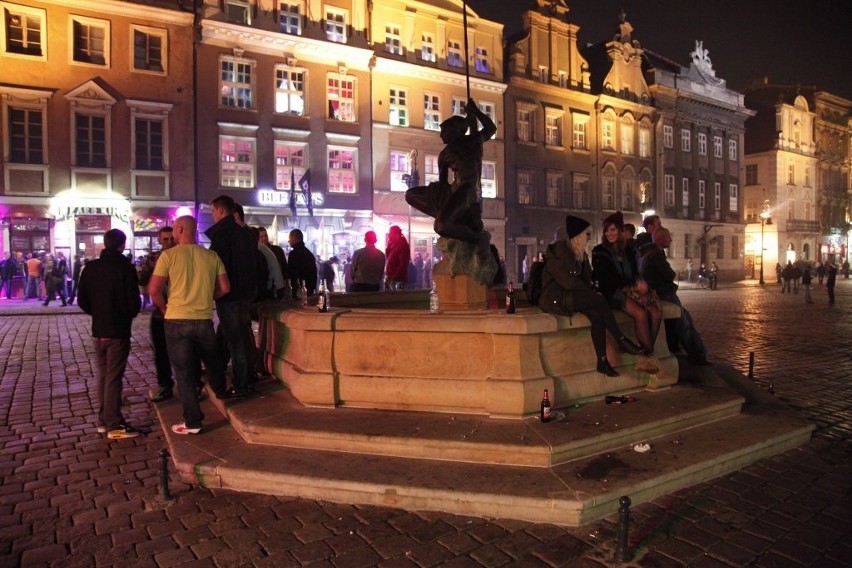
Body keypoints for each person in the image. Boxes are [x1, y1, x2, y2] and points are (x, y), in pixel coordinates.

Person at [149, 216, 231, 435]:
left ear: (181, 229)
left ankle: (193, 421)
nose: (173, 234)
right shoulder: (211, 256)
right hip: (203, 318)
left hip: (176, 319)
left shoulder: (168, 256)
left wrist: (164, 307)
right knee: (212, 361)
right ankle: (221, 390)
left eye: (175, 229)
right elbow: (225, 287)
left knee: (184, 373)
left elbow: (154, 290)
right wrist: (207, 297)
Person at [539, 215, 644, 377]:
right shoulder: (559, 252)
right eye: (587, 234)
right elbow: (569, 283)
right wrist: (591, 293)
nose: (589, 237)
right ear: (578, 235)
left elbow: (587, 280)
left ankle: (602, 361)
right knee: (599, 300)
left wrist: (591, 281)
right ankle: (621, 339)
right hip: (557, 298)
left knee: (597, 316)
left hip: (575, 296)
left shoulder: (580, 253)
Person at [77, 229, 142, 439]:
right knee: (113, 377)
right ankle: (114, 424)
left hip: (99, 330)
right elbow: (134, 303)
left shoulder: (90, 268)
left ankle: (103, 420)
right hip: (118, 330)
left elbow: (82, 301)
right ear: (122, 245)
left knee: (104, 376)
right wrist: (126, 314)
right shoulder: (126, 268)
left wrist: (98, 312)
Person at [405, 98, 496, 244]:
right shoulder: (444, 155)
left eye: (444, 131)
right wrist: (437, 195)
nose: (441, 135)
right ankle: (447, 217)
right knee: (410, 195)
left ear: (455, 130)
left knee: (441, 226)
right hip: (452, 191)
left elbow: (491, 128)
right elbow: (442, 184)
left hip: (467, 191)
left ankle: (476, 238)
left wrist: (475, 111)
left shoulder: (472, 141)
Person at [592, 211, 662, 374]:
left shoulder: (629, 250)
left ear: (621, 231)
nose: (609, 234)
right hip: (613, 293)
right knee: (640, 314)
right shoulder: (599, 251)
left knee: (656, 313)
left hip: (632, 290)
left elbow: (636, 271)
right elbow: (606, 280)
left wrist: (639, 281)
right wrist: (632, 284)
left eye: (613, 230)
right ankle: (648, 355)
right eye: (607, 230)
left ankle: (646, 352)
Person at [206, 195, 257, 398]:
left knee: (236, 341)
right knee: (243, 338)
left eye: (212, 212)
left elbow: (217, 267)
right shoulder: (246, 233)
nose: (212, 216)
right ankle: (247, 378)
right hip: (246, 293)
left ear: (220, 211)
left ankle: (241, 383)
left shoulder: (221, 235)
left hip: (229, 294)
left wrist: (215, 289)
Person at [639, 227, 711, 366]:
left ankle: (695, 352)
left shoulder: (648, 252)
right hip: (663, 294)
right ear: (660, 238)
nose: (671, 240)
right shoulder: (656, 254)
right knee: (684, 324)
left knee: (685, 318)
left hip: (659, 293)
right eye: (668, 237)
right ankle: (697, 355)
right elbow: (670, 274)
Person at [138, 226, 176, 402]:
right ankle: (165, 385)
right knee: (161, 351)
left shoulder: (181, 255)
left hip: (180, 310)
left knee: (188, 351)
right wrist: (152, 267)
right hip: (160, 311)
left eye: (171, 238)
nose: (169, 242)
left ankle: (194, 384)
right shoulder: (153, 257)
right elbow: (142, 279)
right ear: (159, 240)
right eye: (165, 239)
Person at [258, 227, 289, 298]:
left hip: (277, 284)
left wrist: (284, 280)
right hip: (266, 287)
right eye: (261, 237)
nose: (264, 238)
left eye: (265, 236)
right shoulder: (257, 253)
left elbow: (284, 266)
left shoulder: (277, 250)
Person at [286, 229, 317, 298]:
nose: (289, 241)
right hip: (309, 289)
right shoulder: (309, 254)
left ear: (295, 238)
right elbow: (314, 273)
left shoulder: (293, 254)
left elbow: (291, 273)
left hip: (298, 289)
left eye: (290, 238)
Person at [385, 226, 411, 290]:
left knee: (395, 299)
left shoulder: (402, 245)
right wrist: (388, 247)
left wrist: (393, 278)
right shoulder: (394, 245)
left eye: (391, 233)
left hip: (397, 280)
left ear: (396, 234)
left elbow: (403, 264)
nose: (389, 236)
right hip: (392, 279)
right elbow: (388, 258)